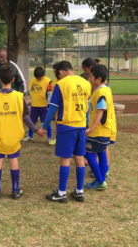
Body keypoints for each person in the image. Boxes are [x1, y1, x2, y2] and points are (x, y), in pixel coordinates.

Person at [0, 65, 45, 199]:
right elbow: (25, 117)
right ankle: (15, 190)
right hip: (13, 135)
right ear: (13, 79)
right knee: (13, 160)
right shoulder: (19, 96)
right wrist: (36, 130)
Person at [41, 61, 91, 203]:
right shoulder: (86, 83)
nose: (57, 75)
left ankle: (62, 193)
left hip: (66, 126)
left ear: (61, 71)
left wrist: (44, 126)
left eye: (56, 72)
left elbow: (52, 108)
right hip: (81, 126)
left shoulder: (61, 85)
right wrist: (86, 124)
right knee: (80, 158)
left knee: (65, 159)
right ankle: (79, 191)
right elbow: (87, 106)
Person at [85, 64, 116, 190]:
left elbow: (101, 110)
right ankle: (101, 179)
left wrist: (91, 128)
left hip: (98, 131)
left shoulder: (101, 92)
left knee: (87, 153)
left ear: (98, 79)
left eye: (91, 77)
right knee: (102, 152)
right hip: (105, 131)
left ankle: (99, 180)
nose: (89, 79)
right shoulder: (106, 89)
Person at [23, 67, 55, 145]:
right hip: (34, 105)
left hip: (44, 106)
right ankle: (30, 136)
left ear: (43, 75)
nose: (38, 79)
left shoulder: (48, 81)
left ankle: (49, 138)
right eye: (36, 77)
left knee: (45, 122)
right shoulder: (32, 81)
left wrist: (49, 105)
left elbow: (49, 94)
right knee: (32, 121)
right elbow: (30, 91)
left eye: (39, 77)